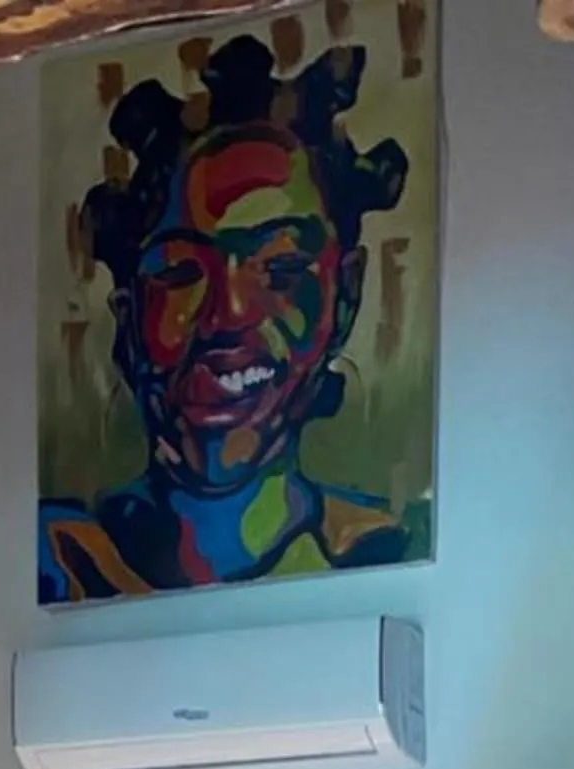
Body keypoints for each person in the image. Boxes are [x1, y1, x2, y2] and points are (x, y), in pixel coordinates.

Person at [40, 35, 425, 603]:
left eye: (283, 269)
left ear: (345, 296)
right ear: (127, 317)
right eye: (178, 273)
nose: (229, 315)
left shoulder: (384, 550)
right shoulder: (58, 558)